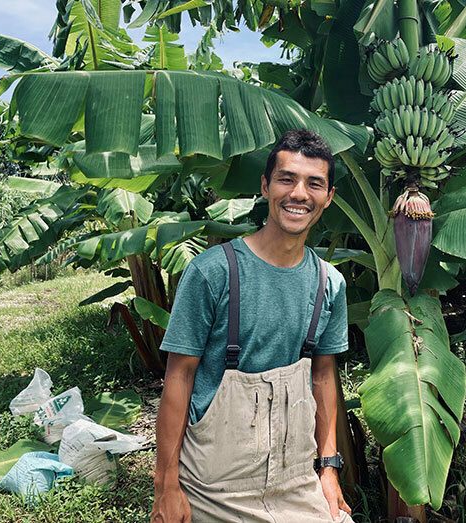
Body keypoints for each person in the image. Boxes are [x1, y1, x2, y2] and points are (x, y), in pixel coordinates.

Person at [151, 129, 354, 522]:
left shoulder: (330, 283)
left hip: (295, 480)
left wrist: (327, 471)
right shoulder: (213, 272)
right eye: (286, 179)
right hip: (213, 485)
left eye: (314, 184)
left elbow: (324, 377)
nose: (299, 194)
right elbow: (179, 377)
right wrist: (166, 486)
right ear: (265, 186)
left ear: (328, 197)